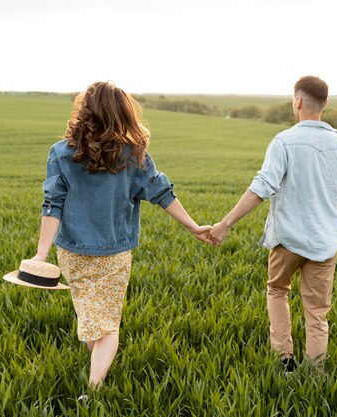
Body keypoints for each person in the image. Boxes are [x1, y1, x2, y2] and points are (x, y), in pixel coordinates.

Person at [31, 81, 212, 393]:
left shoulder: (61, 152)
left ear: (84, 112)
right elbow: (161, 193)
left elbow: (52, 204)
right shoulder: (133, 155)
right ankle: (96, 387)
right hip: (114, 252)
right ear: (122, 114)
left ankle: (95, 382)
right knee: (105, 322)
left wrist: (41, 255)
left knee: (90, 317)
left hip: (72, 250)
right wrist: (193, 226)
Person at [208, 76, 337, 373]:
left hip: (287, 238)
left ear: (298, 101)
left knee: (277, 290)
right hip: (326, 242)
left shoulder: (285, 141)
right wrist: (330, 219)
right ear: (325, 104)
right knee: (317, 312)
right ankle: (315, 373)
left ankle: (284, 360)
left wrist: (225, 223)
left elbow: (262, 186)